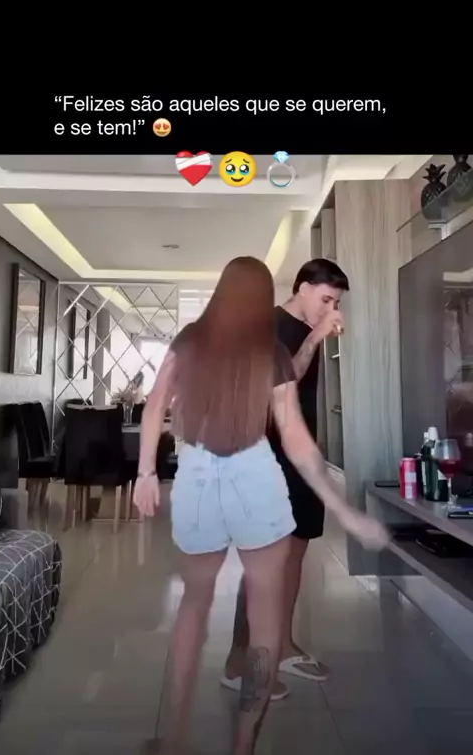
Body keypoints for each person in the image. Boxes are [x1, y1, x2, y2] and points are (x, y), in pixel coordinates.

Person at [133, 256, 387, 755]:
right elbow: (294, 438)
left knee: (193, 606)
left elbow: (155, 404)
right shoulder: (269, 349)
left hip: (198, 476)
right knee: (266, 619)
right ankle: (244, 744)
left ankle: (175, 737)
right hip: (255, 473)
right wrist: (346, 511)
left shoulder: (191, 339)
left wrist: (145, 472)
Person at [223, 258, 350, 698]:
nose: (331, 309)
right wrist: (316, 335)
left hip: (300, 459)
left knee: (294, 555)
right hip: (270, 458)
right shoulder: (270, 325)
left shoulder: (304, 327)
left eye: (335, 302)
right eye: (326, 299)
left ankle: (281, 645)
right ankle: (239, 662)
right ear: (302, 288)